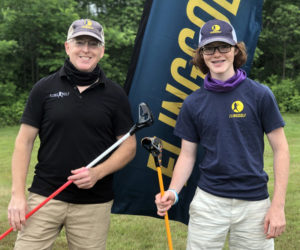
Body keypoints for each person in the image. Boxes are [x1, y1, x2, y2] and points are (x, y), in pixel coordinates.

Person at [155, 19, 289, 249]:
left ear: (236, 50)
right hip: (209, 202)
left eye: (224, 47)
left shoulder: (260, 95)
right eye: (209, 48)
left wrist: (277, 206)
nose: (217, 54)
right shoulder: (193, 103)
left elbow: (281, 149)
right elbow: (187, 155)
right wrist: (174, 192)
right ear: (201, 54)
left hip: (255, 203)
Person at [8, 19, 136, 250]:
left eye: (93, 44)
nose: (86, 49)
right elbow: (24, 142)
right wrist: (18, 196)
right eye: (80, 42)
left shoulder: (116, 95)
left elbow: (128, 146)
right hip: (45, 196)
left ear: (102, 51)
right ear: (68, 47)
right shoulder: (44, 88)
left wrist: (98, 172)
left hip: (94, 204)